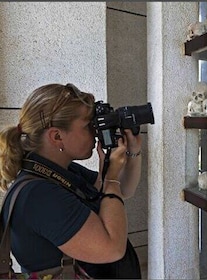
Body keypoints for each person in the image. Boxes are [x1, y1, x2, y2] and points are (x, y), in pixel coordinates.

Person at [0, 83, 142, 278]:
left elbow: (122, 190)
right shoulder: (39, 195)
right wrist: (110, 180)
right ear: (57, 136)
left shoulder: (58, 171)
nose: (95, 131)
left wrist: (132, 152)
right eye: (87, 125)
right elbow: (112, 248)